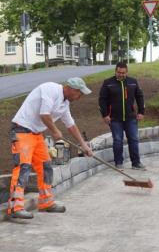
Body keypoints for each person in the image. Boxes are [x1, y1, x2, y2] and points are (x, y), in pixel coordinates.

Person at [7, 78, 94, 219]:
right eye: (79, 93)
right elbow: (44, 114)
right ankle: (15, 208)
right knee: (23, 167)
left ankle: (46, 202)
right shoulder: (50, 89)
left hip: (36, 134)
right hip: (22, 131)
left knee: (45, 167)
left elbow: (71, 125)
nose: (79, 97)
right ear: (71, 89)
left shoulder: (65, 103)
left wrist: (83, 145)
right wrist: (54, 130)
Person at [98, 61, 146, 170]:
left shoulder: (133, 82)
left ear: (127, 72)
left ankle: (136, 163)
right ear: (115, 71)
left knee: (133, 139)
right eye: (119, 72)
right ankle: (118, 163)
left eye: (123, 73)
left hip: (131, 118)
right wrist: (105, 115)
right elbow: (102, 100)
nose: (121, 74)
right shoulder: (108, 83)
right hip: (114, 118)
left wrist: (141, 112)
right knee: (118, 140)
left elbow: (140, 97)